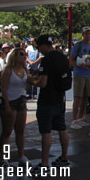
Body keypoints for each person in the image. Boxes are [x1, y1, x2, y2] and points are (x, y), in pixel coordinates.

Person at [29, 35, 70, 172]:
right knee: (62, 129)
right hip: (60, 99)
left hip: (47, 100)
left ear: (44, 46)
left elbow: (43, 82)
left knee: (46, 131)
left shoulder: (47, 61)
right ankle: (64, 158)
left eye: (39, 47)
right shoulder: (62, 57)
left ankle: (44, 163)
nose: (39, 50)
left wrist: (32, 81)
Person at [0, 47, 33, 166]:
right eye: (21, 54)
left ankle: (21, 155)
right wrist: (7, 105)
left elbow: (27, 85)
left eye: (25, 54)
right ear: (14, 56)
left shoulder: (25, 69)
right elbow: (3, 88)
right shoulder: (8, 70)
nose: (24, 56)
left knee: (20, 130)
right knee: (7, 131)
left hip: (21, 100)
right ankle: (3, 157)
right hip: (11, 101)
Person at [68, 27, 90, 130]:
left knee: (85, 97)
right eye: (86, 34)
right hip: (79, 73)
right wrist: (79, 64)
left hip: (88, 73)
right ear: (83, 34)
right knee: (78, 97)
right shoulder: (78, 46)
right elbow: (71, 61)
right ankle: (74, 119)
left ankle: (81, 118)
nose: (88, 36)